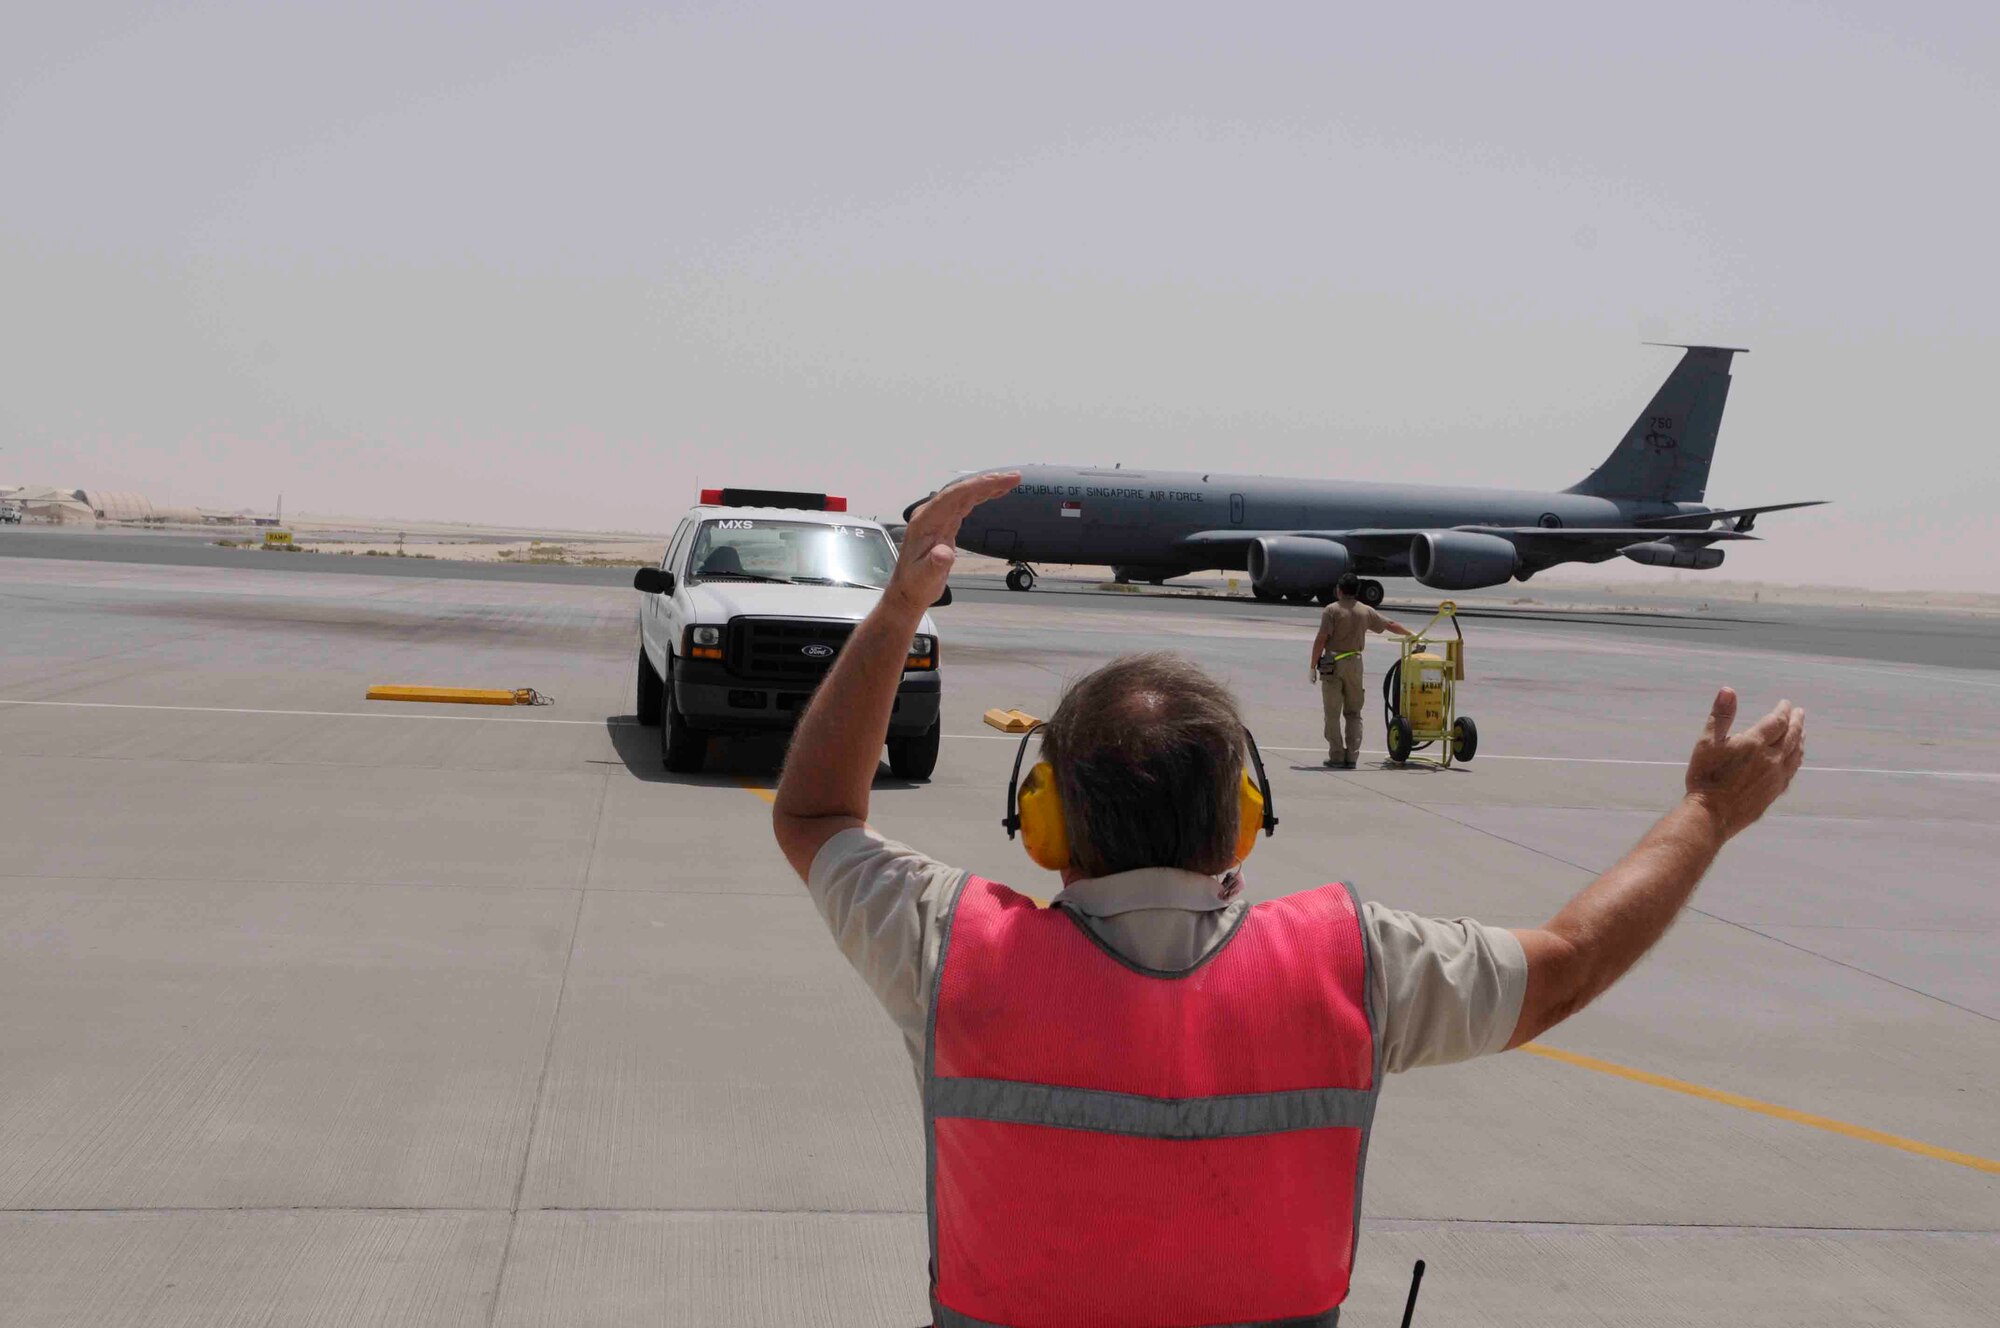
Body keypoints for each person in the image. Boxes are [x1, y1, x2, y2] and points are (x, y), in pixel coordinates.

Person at [772, 472, 1806, 1327]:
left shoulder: (952, 949)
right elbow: (1572, 959)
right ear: (1240, 818)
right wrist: (1706, 813)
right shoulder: (1352, 963)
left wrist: (898, 605)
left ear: (1041, 817)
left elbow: (815, 810)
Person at [1310, 571, 1411, 768]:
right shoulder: (1365, 611)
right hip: (1355, 663)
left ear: (1339, 590)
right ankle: (1352, 757)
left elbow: (1321, 639)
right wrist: (1412, 635)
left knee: (1332, 713)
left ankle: (1337, 755)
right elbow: (1389, 624)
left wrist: (1312, 665)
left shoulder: (1331, 610)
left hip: (1332, 662)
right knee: (1354, 712)